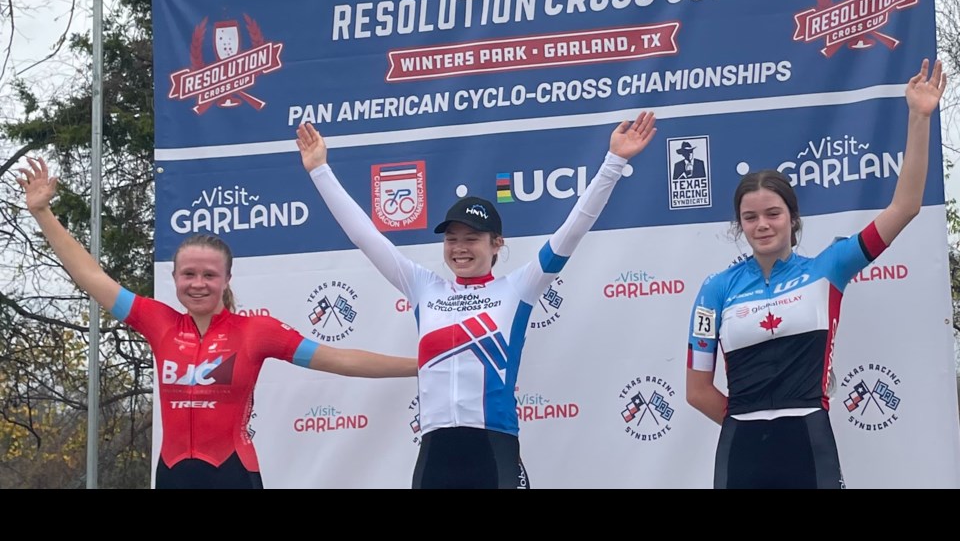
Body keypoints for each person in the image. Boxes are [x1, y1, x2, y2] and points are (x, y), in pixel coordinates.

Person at [296, 112, 657, 489]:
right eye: (452, 238)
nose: (459, 247)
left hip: (493, 450)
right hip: (435, 454)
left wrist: (614, 162)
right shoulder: (424, 287)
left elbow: (573, 230)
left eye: (472, 238)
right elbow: (366, 237)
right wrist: (320, 170)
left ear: (496, 244)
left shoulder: (518, 289)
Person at [17, 156, 418, 489]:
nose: (198, 284)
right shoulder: (159, 323)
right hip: (172, 474)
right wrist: (42, 212)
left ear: (226, 280)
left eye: (209, 275)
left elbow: (339, 359)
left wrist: (418, 366)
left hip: (233, 474)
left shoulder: (255, 333)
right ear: (174, 279)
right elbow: (92, 277)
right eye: (188, 274)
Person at [685, 59, 947, 489]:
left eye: (773, 213)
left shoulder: (829, 267)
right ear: (739, 225)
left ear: (792, 217)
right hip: (741, 447)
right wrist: (750, 426)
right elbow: (697, 390)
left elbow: (905, 208)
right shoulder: (715, 290)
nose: (762, 224)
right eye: (750, 217)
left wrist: (919, 118)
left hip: (808, 439)